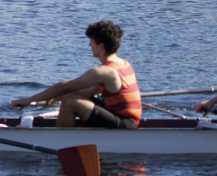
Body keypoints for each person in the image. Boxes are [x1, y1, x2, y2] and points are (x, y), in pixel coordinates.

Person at [10, 21, 141, 129]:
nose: (89, 44)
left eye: (92, 41)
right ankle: (72, 134)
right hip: (124, 119)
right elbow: (87, 91)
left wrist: (29, 100)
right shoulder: (123, 63)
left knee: (71, 101)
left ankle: (60, 143)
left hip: (126, 125)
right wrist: (58, 97)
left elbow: (64, 87)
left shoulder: (104, 71)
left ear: (101, 46)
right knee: (70, 96)